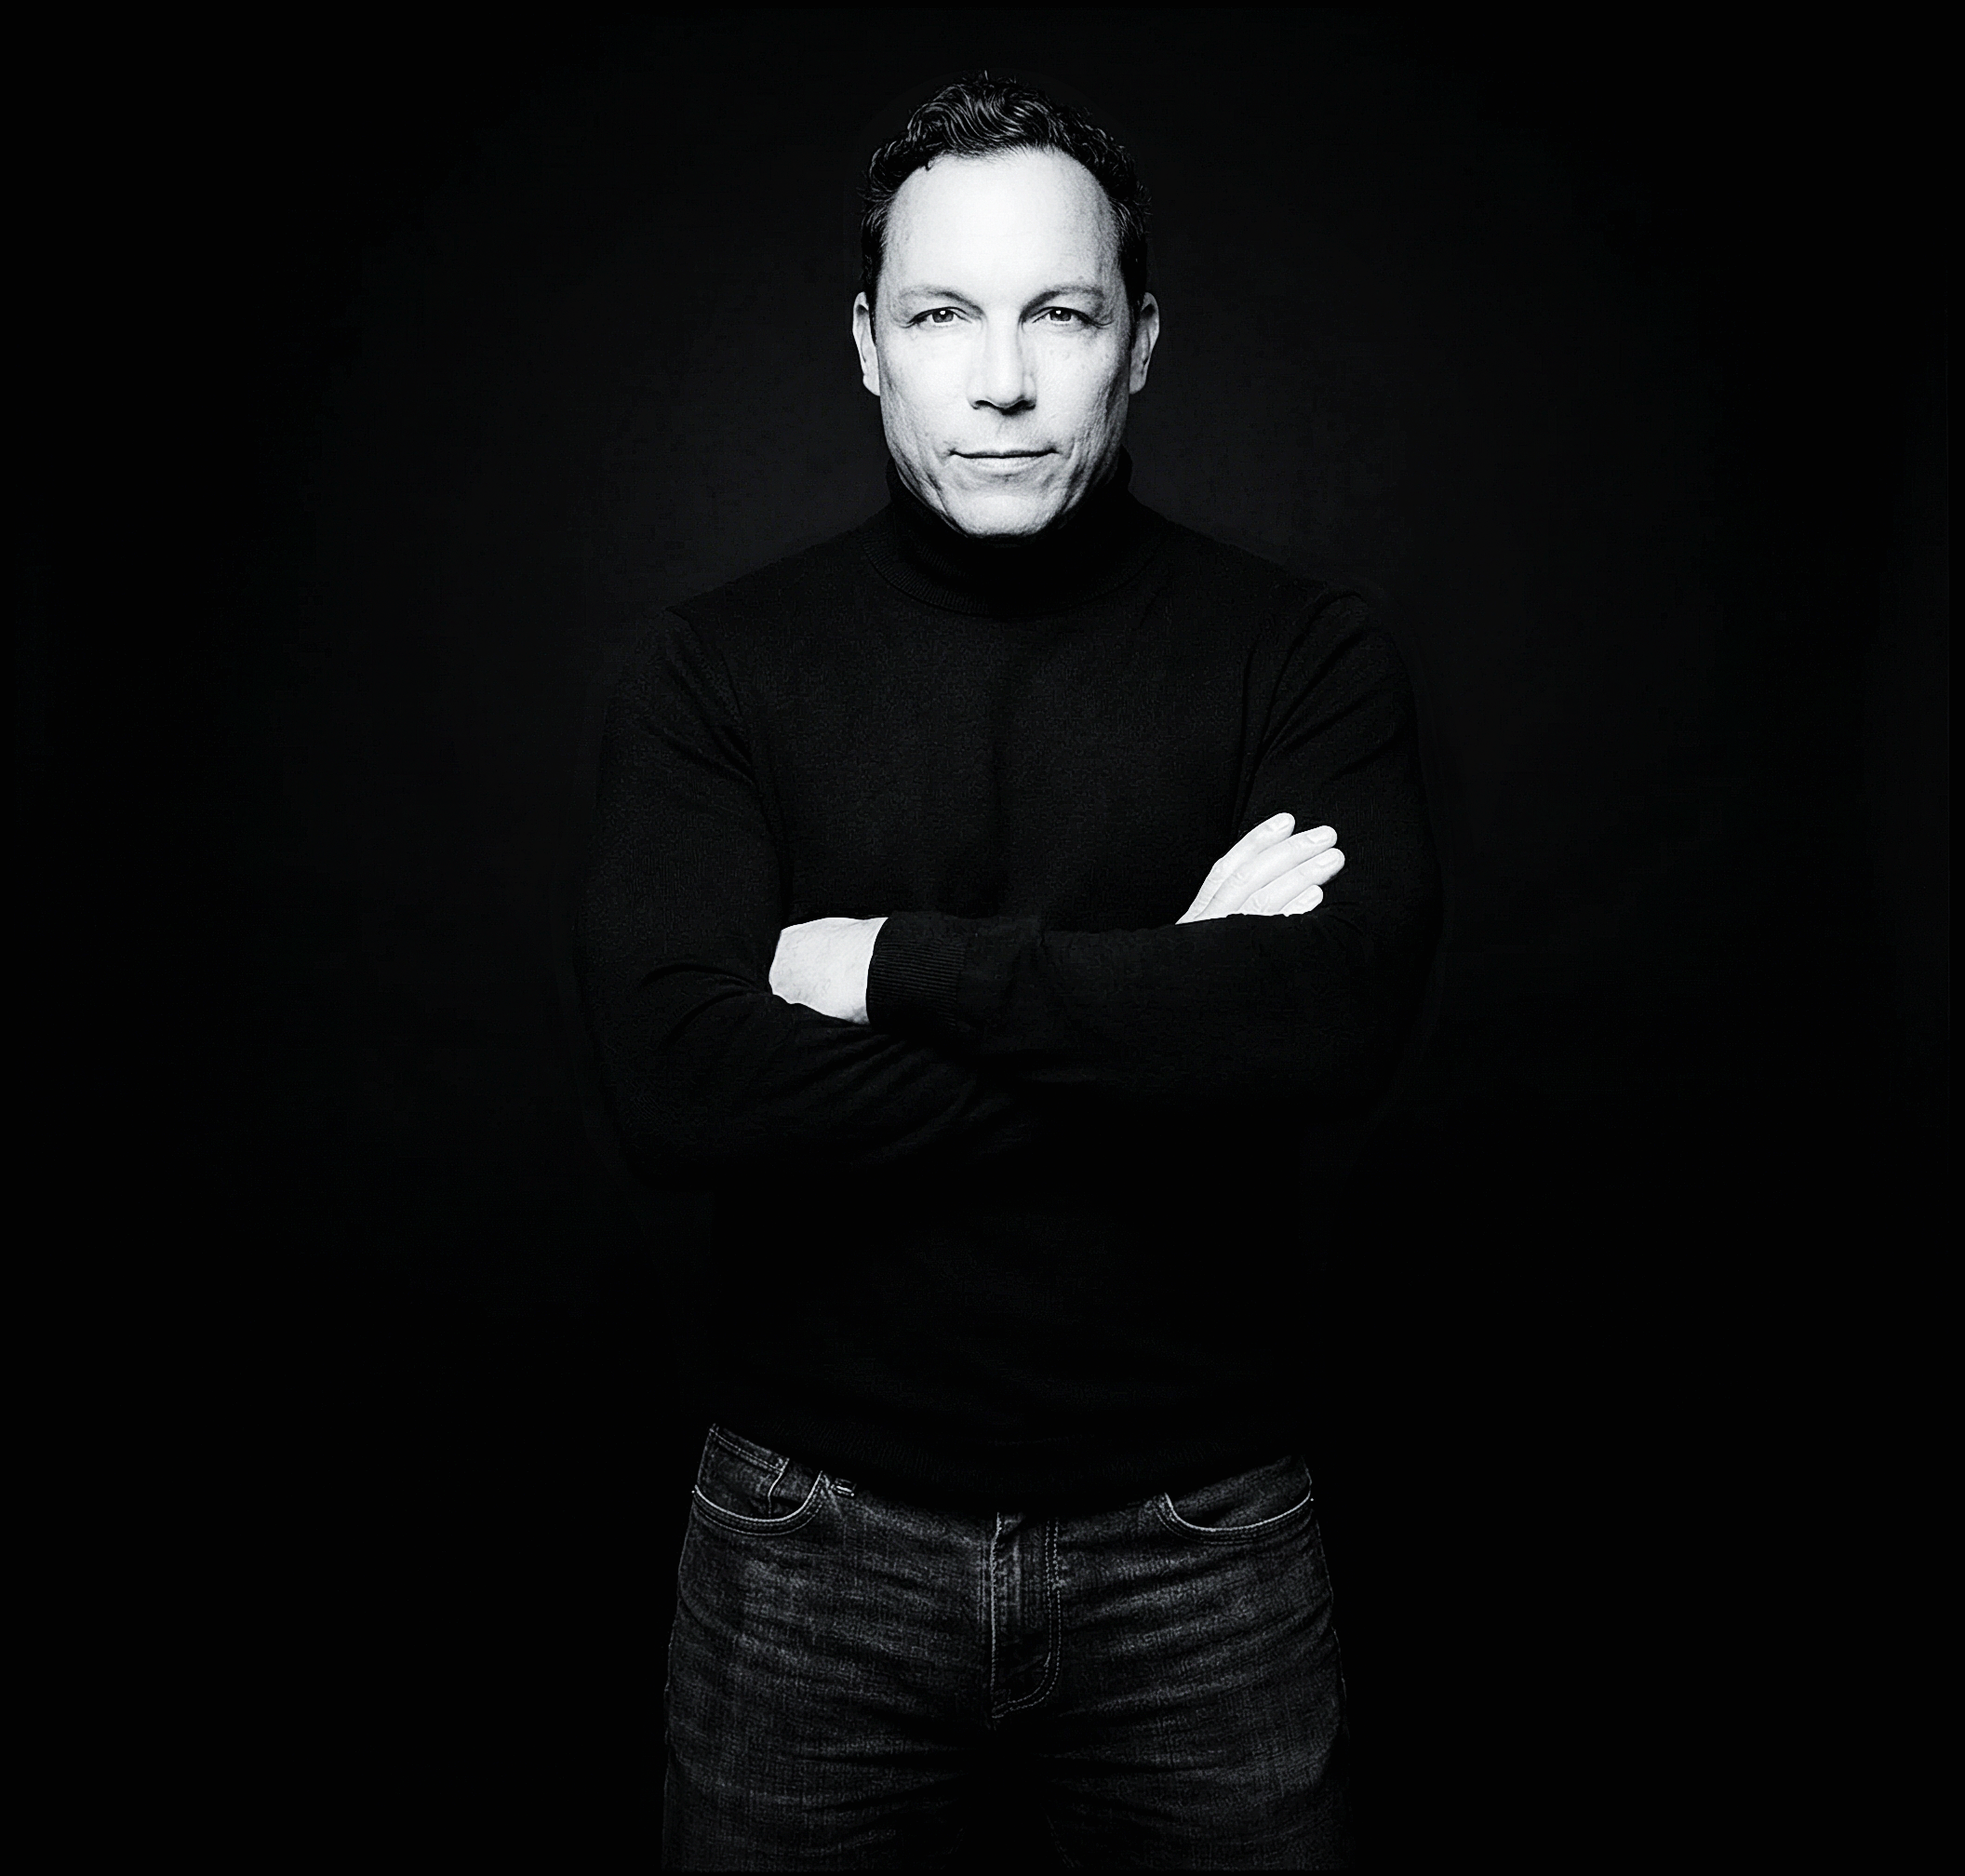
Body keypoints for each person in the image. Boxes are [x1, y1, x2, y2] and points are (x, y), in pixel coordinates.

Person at [576, 72, 1441, 1870]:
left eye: (1059, 313)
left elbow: (1331, 1026)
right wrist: (1173, 999)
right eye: (940, 316)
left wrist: (891, 966)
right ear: (868, 348)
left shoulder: (1301, 653)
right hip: (808, 1547)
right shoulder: (719, 669)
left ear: (1142, 342)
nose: (1001, 380)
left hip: (1204, 1548)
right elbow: (679, 1089)